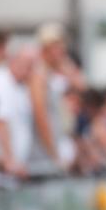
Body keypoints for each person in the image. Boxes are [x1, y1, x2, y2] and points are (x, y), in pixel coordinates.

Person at [29, 22, 83, 174]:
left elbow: (81, 86)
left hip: (53, 148)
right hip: (42, 153)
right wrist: (53, 152)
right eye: (58, 47)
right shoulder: (38, 76)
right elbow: (40, 115)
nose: (62, 51)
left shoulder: (52, 75)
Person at [0, 41, 37, 178]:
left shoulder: (22, 87)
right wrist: (9, 159)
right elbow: (0, 121)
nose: (30, 70)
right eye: (28, 65)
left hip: (17, 165)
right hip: (4, 166)